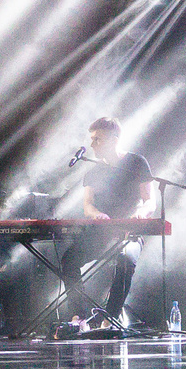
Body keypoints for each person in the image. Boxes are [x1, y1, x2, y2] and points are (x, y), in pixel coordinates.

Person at [66, 116, 154, 329]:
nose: (92, 144)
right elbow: (88, 205)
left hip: (130, 233)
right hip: (102, 233)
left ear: (114, 140)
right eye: (92, 139)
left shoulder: (137, 163)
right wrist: (96, 214)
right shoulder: (94, 171)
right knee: (68, 259)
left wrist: (141, 212)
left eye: (98, 139)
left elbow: (150, 200)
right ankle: (79, 318)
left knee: (125, 259)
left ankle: (110, 319)